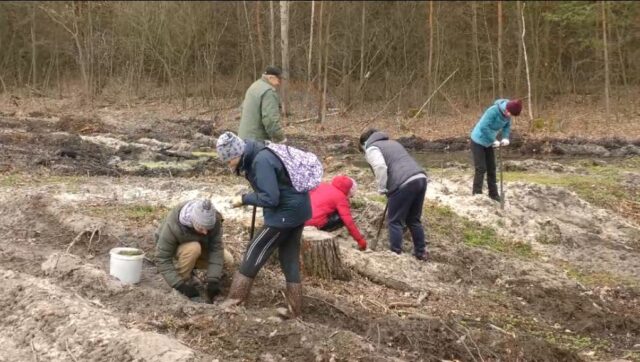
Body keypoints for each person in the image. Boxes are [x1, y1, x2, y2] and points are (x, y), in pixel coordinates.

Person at [216, 131, 311, 318]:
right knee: (288, 258)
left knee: (255, 250)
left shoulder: (261, 161)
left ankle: (234, 302)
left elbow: (271, 198)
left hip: (285, 213)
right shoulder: (256, 153)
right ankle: (295, 310)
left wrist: (244, 199)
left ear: (236, 154)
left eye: (228, 161)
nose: (228, 165)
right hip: (298, 210)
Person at [359, 129, 429, 261]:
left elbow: (380, 167)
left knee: (394, 220)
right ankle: (421, 252)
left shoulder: (372, 148)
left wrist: (382, 188)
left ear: (364, 143)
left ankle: (395, 254)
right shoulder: (393, 143)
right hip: (420, 177)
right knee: (413, 219)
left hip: (403, 182)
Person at [154, 198, 225, 301]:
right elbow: (162, 258)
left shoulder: (214, 221)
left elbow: (216, 249)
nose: (205, 232)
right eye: (201, 228)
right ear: (193, 221)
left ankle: (193, 268)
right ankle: (184, 279)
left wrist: (213, 280)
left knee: (228, 259)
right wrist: (179, 286)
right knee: (193, 248)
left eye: (208, 229)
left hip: (199, 247)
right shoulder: (174, 224)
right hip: (178, 249)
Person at [470, 99, 522, 201]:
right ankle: (477, 194)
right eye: (509, 113)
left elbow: (507, 126)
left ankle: (493, 194)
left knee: (492, 168)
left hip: (489, 141)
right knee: (481, 168)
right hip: (478, 140)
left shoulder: (508, 114)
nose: (509, 116)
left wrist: (505, 137)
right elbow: (483, 127)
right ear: (506, 109)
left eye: (511, 115)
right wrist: (493, 140)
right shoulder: (493, 111)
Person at [305, 175, 367, 251]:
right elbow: (348, 222)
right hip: (313, 223)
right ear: (349, 190)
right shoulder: (341, 198)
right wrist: (360, 240)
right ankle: (320, 232)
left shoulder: (321, 185)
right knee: (341, 217)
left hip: (301, 218)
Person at [238, 66, 285, 143]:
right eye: (279, 79)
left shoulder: (254, 86)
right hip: (256, 141)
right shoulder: (269, 92)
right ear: (270, 78)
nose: (279, 83)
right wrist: (281, 138)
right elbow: (270, 120)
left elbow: (242, 108)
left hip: (243, 138)